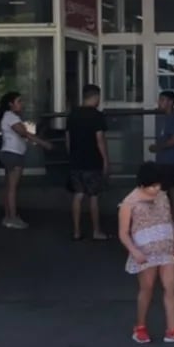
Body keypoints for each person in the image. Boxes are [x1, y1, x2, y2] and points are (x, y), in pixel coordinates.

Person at [119, 162, 174, 345]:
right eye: (153, 186)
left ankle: (172, 329)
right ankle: (140, 326)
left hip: (166, 249)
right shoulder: (130, 202)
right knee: (147, 288)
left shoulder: (163, 196)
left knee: (171, 287)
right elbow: (123, 233)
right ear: (143, 184)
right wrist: (134, 251)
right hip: (145, 252)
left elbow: (169, 222)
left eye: (158, 185)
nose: (156, 189)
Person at [0, 91, 50, 230]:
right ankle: (12, 218)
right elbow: (23, 133)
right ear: (11, 104)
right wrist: (43, 143)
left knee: (9, 187)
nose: (22, 104)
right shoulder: (10, 117)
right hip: (13, 154)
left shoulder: (9, 117)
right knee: (12, 188)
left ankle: (9, 216)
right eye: (19, 101)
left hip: (10, 153)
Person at [66, 84, 109, 241]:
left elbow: (68, 139)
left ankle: (76, 231)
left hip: (76, 160)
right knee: (93, 197)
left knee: (78, 195)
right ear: (96, 97)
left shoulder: (73, 115)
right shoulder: (97, 116)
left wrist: (71, 155)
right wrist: (105, 160)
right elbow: (100, 140)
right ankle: (96, 231)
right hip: (93, 161)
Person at [151, 90, 174, 221]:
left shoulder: (172, 118)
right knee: (169, 187)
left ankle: (171, 218)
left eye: (162, 100)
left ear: (170, 102)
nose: (160, 102)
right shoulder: (167, 118)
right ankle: (171, 217)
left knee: (167, 188)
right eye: (160, 100)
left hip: (170, 160)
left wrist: (158, 147)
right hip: (166, 159)